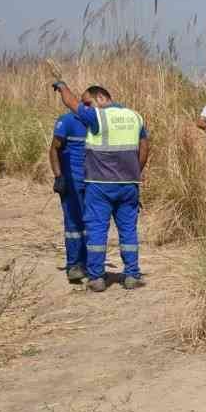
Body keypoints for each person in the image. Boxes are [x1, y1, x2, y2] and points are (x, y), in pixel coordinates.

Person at [49, 74, 150, 292]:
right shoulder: (135, 117)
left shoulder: (98, 117)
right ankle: (132, 275)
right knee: (128, 231)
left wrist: (62, 86)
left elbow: (71, 102)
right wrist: (135, 172)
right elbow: (144, 147)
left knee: (96, 230)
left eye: (89, 103)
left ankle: (96, 278)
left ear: (102, 98)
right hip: (129, 185)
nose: (86, 108)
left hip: (100, 184)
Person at [48, 90, 92, 283]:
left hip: (94, 183)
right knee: (74, 224)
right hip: (72, 182)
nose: (90, 108)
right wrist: (59, 176)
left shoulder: (97, 123)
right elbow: (54, 149)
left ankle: (91, 264)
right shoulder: (66, 122)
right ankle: (74, 265)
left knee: (92, 225)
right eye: (87, 104)